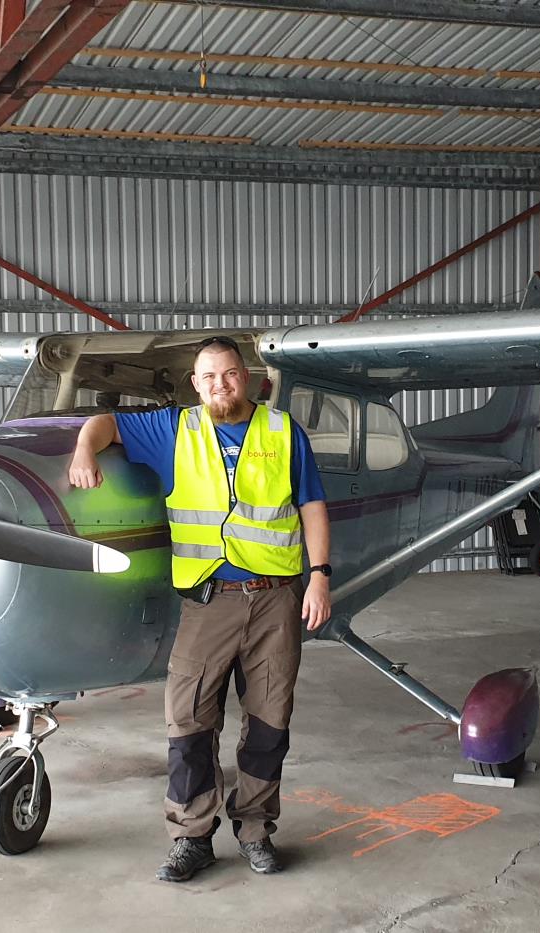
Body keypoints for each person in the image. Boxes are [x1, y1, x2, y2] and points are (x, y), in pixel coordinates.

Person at [68, 336, 332, 882]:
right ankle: (192, 838)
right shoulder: (174, 428)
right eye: (209, 377)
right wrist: (82, 451)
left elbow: (311, 504)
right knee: (187, 724)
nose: (221, 385)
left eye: (230, 374)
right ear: (196, 383)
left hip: (274, 599)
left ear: (248, 377)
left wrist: (320, 577)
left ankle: (256, 831)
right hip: (208, 602)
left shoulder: (283, 432)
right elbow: (104, 423)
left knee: (269, 724)